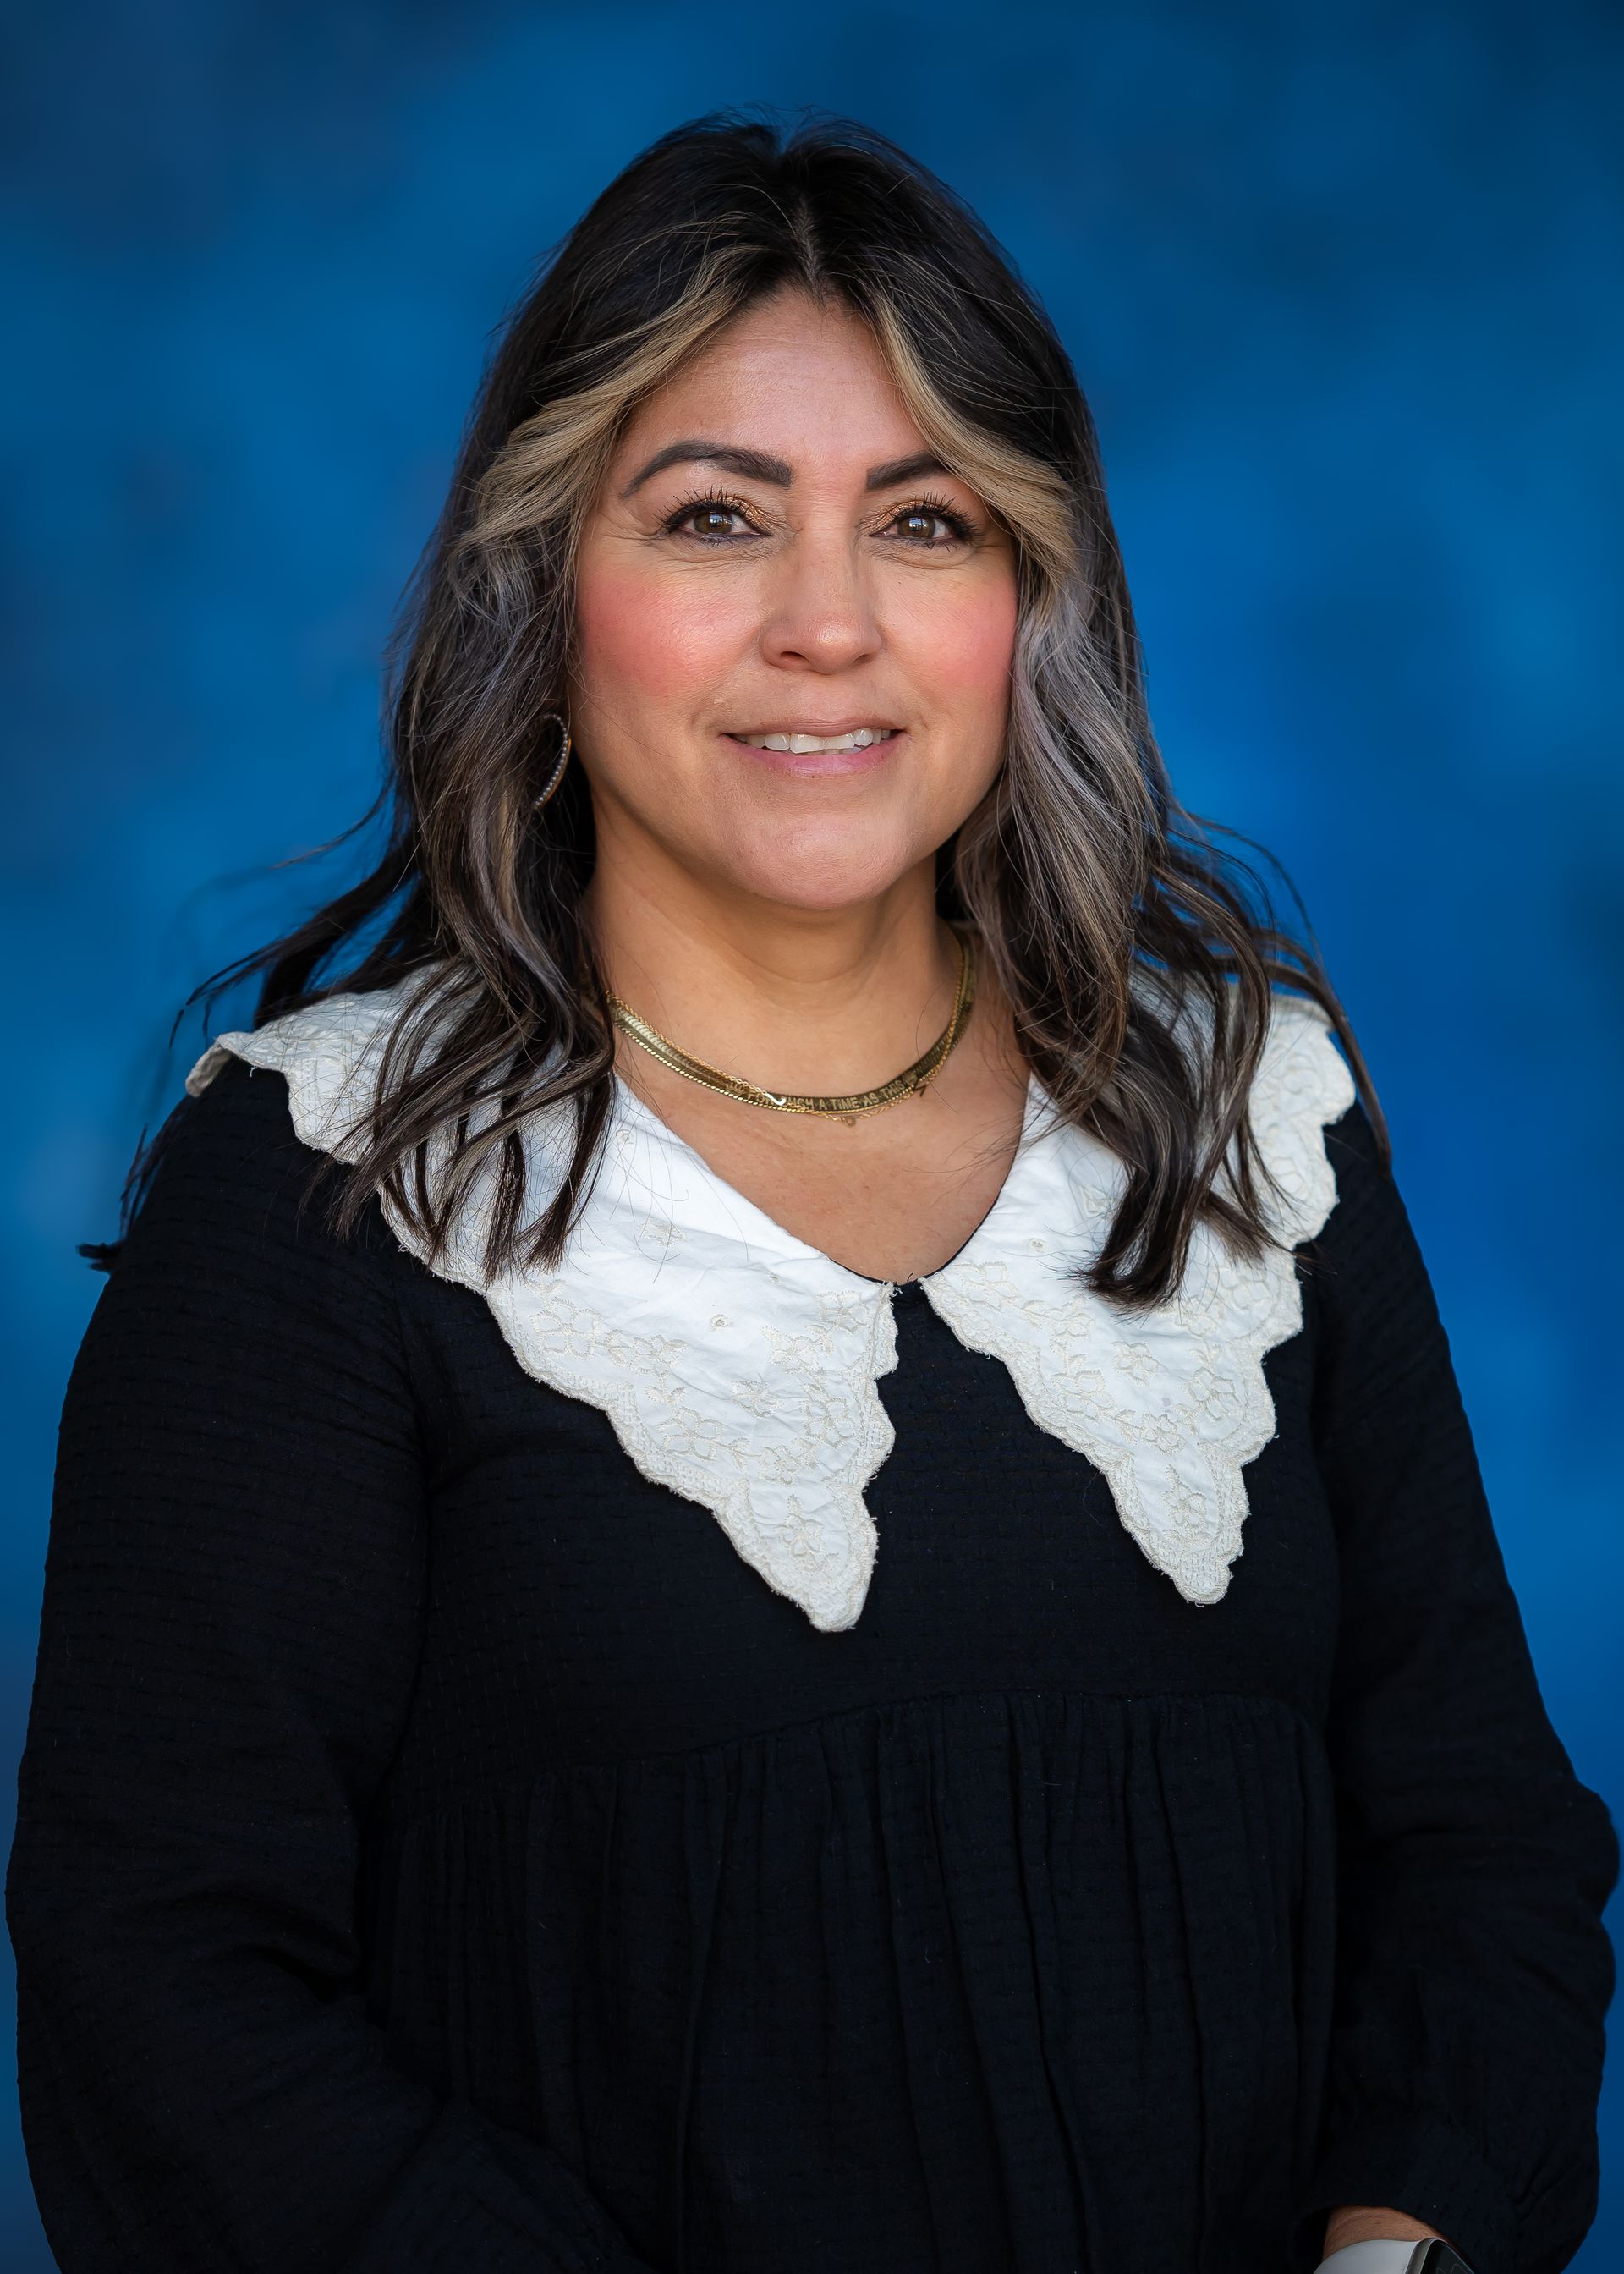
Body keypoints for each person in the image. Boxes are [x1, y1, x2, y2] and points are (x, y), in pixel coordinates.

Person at [5, 113, 1615, 2274]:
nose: (828, 627)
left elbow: (1484, 1850)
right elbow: (169, 2001)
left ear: (1025, 595)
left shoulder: (1250, 1122)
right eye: (715, 520)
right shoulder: (321, 1192)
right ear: (547, 582)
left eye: (924, 520)